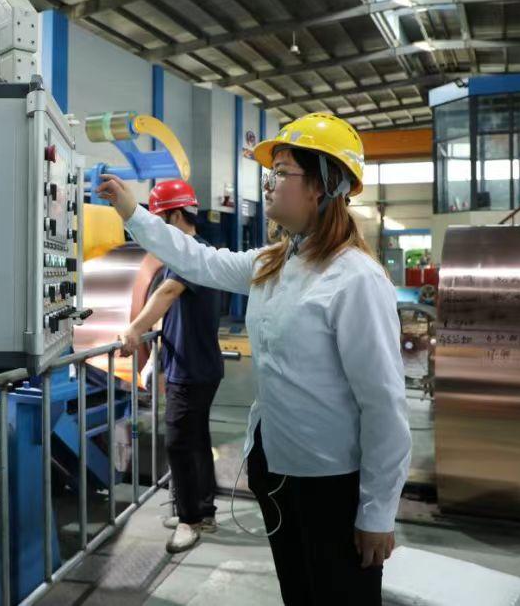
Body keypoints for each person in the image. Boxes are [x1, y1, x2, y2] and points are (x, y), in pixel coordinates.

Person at [98, 113, 410, 605]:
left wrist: (377, 513)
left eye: (281, 172)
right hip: (277, 471)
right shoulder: (274, 263)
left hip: (331, 484)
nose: (268, 183)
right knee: (299, 594)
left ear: (322, 185)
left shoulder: (356, 280)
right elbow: (199, 260)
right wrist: (133, 212)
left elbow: (384, 406)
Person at [118, 179, 224, 554]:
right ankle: (202, 510)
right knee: (196, 441)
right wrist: (155, 356)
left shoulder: (192, 254)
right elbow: (172, 309)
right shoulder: (188, 255)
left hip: (193, 368)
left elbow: (167, 294)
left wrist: (134, 329)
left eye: (159, 220)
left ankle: (189, 520)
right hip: (194, 364)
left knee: (179, 443)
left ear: (177, 216)